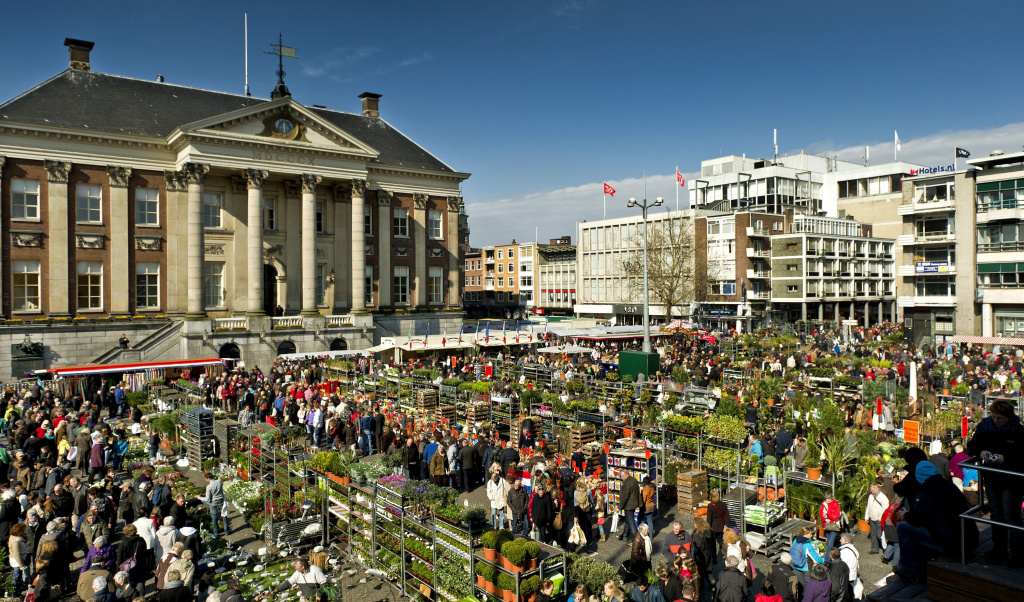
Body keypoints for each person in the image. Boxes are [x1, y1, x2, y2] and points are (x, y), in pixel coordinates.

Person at [894, 461, 977, 581]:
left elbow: (917, 518)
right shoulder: (949, 485)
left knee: (903, 527)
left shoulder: (927, 491)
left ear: (919, 475)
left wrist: (905, 514)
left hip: (950, 544)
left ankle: (910, 570)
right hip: (968, 541)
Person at [967, 398, 1024, 566]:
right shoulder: (985, 427)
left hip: (1012, 480)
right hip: (992, 477)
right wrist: (982, 452)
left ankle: (1017, 553)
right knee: (997, 514)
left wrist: (1005, 458)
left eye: (1000, 418)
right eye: (994, 417)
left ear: (1009, 417)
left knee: (1011, 515)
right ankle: (999, 549)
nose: (996, 421)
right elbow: (973, 446)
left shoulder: (1018, 431)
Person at [197, 472, 229, 539]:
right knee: (224, 514)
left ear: (208, 478)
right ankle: (226, 531)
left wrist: (199, 497)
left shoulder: (209, 487)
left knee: (214, 518)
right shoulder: (219, 481)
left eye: (206, 479)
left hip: (213, 502)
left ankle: (216, 534)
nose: (206, 480)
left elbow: (207, 498)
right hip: (221, 500)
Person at [704, 490, 730, 561]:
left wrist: (707, 529)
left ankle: (714, 558)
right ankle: (725, 554)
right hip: (721, 527)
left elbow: (709, 520)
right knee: (721, 541)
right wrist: (726, 526)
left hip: (713, 528)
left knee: (712, 544)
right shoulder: (723, 504)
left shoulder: (710, 506)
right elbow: (727, 517)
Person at [864, 480, 888, 555]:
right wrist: (866, 516)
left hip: (879, 519)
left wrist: (881, 517)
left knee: (879, 535)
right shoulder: (871, 496)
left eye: (871, 489)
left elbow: (886, 507)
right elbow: (868, 506)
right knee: (873, 535)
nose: (870, 490)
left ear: (876, 489)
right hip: (872, 518)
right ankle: (875, 549)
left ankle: (885, 548)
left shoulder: (883, 497)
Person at [690, 515, 715, 585]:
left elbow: (697, 547)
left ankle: (702, 586)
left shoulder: (697, 535)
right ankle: (712, 581)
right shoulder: (710, 530)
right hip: (710, 554)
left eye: (694, 524)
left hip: (702, 556)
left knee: (701, 572)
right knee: (709, 570)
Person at [837, 533, 861, 600]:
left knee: (845, 594)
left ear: (846, 541)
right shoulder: (853, 549)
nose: (840, 540)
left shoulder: (845, 552)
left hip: (847, 576)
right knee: (850, 592)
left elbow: (841, 565)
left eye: (841, 539)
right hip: (852, 574)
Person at [618, 474, 641, 541]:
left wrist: (619, 507)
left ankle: (638, 539)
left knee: (631, 522)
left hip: (628, 505)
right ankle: (625, 536)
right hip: (634, 504)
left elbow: (624, 497)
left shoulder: (627, 483)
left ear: (626, 475)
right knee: (627, 520)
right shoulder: (634, 480)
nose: (622, 477)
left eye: (622, 476)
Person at [9, 521, 30, 592]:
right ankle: (13, 591)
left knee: (18, 577)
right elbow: (16, 554)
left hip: (19, 560)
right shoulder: (16, 540)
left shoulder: (18, 538)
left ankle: (16, 590)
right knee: (16, 576)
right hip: (17, 561)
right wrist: (21, 565)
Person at [820, 492, 842, 557]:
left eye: (829, 499)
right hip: (826, 525)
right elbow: (821, 513)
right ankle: (833, 556)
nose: (827, 501)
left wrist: (828, 513)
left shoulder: (835, 505)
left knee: (830, 543)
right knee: (829, 543)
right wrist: (825, 519)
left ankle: (827, 559)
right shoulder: (824, 504)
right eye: (826, 499)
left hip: (833, 526)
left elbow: (836, 517)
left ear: (831, 498)